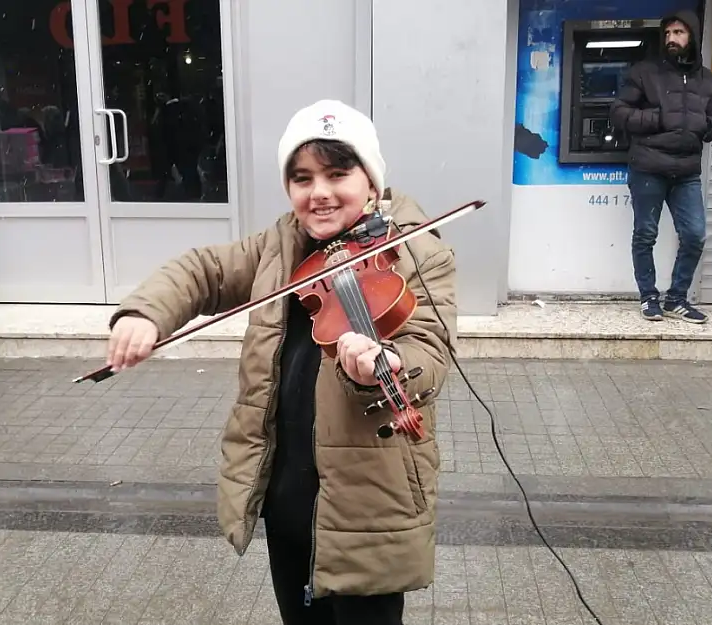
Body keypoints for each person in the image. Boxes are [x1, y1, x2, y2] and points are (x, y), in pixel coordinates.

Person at [104, 100, 457, 625]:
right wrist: (147, 314)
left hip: (370, 506)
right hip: (288, 494)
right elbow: (203, 270)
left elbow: (429, 349)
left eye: (338, 174)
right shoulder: (281, 246)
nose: (319, 192)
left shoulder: (418, 253)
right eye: (302, 177)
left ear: (371, 180)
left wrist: (386, 364)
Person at [610, 9, 712, 323]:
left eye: (679, 33)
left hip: (686, 171)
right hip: (648, 167)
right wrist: (658, 118)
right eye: (668, 34)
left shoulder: (708, 79)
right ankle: (648, 297)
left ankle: (677, 299)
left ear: (693, 37)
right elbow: (619, 112)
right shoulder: (645, 72)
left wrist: (709, 127)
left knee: (695, 235)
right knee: (645, 234)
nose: (672, 39)